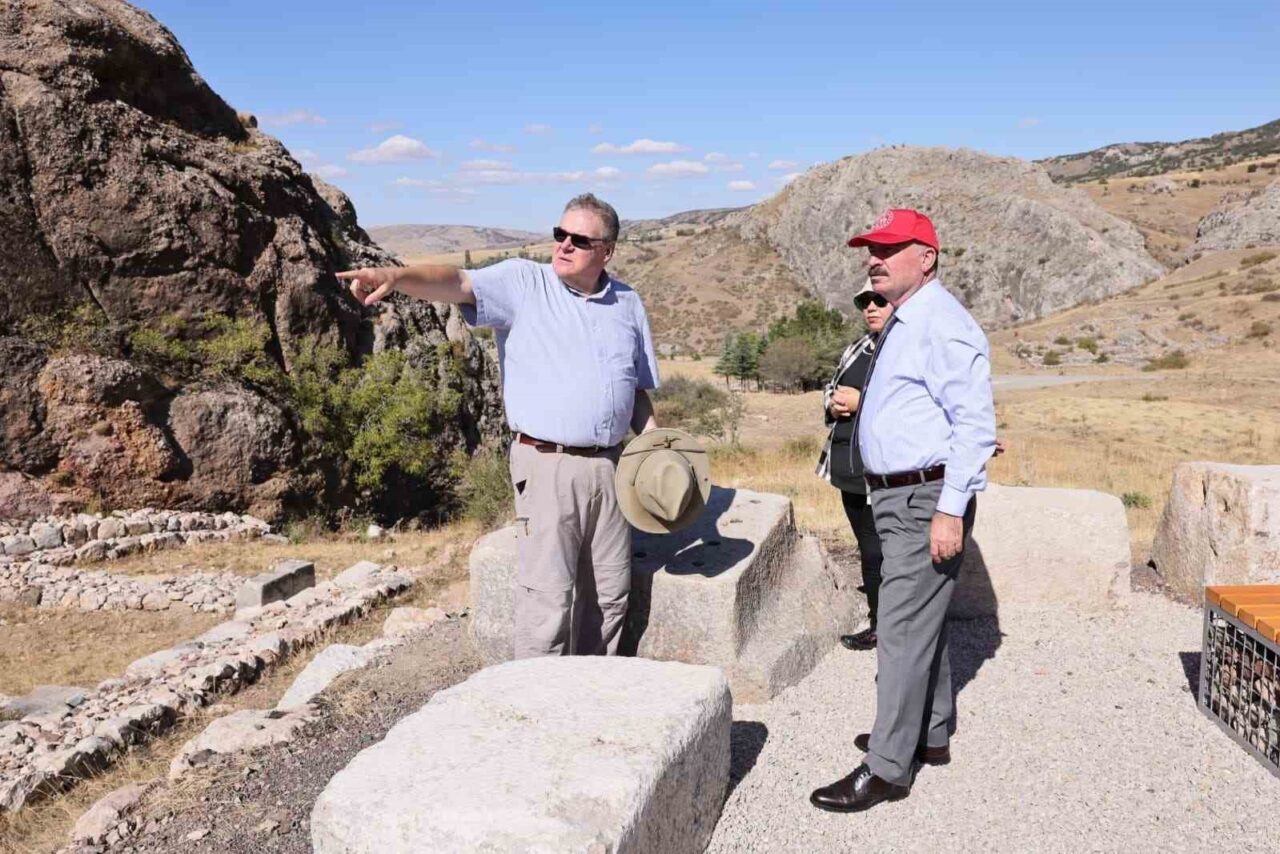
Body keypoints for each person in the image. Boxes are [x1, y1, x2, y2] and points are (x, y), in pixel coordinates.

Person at [339, 193, 660, 658]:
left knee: (609, 598)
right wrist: (396, 277)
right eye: (560, 234)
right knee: (547, 601)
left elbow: (635, 390)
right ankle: (532, 709)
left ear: (606, 250)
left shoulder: (627, 304)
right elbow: (457, 281)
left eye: (579, 239)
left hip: (611, 468)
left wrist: (657, 445)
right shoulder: (523, 283)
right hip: (547, 464)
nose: (564, 245)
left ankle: (590, 703)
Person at [810, 208, 996, 813]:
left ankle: (888, 767)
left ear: (927, 257)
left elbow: (974, 424)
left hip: (923, 497)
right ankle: (929, 732)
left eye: (890, 249)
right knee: (923, 621)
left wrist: (950, 510)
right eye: (872, 249)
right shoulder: (907, 320)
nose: (875, 259)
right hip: (898, 494)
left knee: (898, 626)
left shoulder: (942, 323)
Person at [816, 280, 893, 652]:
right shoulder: (858, 348)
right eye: (865, 301)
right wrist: (833, 403)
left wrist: (864, 401)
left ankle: (890, 627)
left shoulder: (901, 350)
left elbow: (911, 407)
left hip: (883, 473)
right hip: (849, 471)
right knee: (868, 548)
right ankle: (880, 622)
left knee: (883, 551)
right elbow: (830, 389)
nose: (871, 307)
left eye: (880, 300)